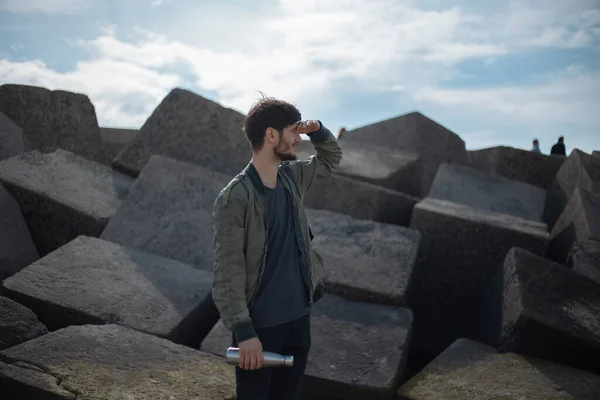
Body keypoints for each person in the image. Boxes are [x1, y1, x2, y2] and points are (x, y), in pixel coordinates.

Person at [211, 96, 342, 399]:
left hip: (299, 321)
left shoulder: (291, 178)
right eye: (293, 131)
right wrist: (244, 334)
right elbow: (227, 272)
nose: (298, 139)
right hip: (261, 330)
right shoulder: (234, 199)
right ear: (271, 136)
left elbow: (330, 159)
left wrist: (317, 130)